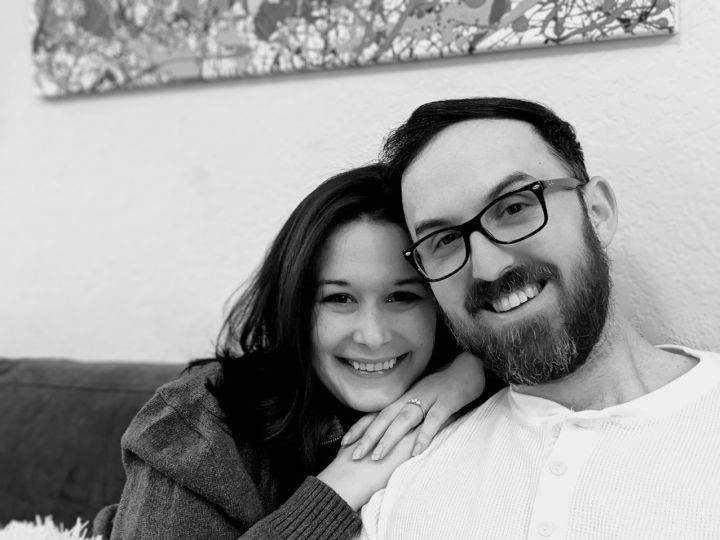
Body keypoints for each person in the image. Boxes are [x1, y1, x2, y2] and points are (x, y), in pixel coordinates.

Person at [360, 98, 720, 539]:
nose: (488, 267)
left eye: (514, 208)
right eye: (445, 240)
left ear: (597, 211)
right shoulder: (402, 490)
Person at [94, 164, 494, 539]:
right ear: (294, 306)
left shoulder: (487, 392)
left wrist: (472, 370)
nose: (373, 336)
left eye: (402, 296)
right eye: (339, 298)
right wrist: (344, 484)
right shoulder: (203, 421)